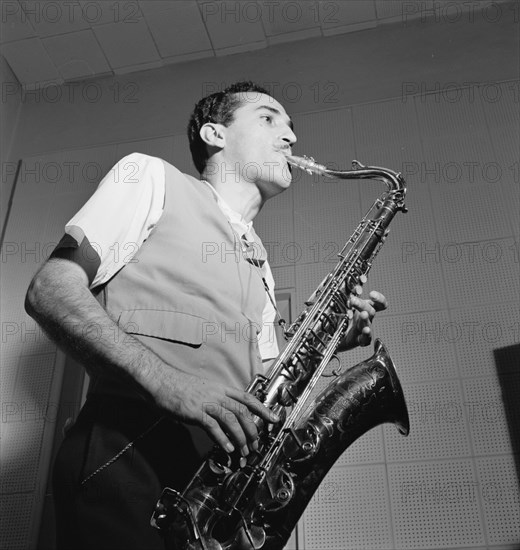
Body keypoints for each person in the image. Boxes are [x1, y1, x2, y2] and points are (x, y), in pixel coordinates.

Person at [25, 81, 387, 550]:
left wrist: (334, 338)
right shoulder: (149, 178)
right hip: (130, 453)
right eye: (268, 118)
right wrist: (167, 381)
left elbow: (267, 387)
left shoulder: (261, 264)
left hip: (218, 494)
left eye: (292, 126)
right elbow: (50, 290)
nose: (291, 137)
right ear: (215, 134)